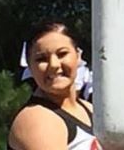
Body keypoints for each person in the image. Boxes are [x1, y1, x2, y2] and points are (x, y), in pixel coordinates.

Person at [8, 21, 101, 150]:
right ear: (29, 66)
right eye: (41, 59)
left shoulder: (90, 109)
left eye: (62, 54)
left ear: (78, 56)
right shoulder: (38, 121)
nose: (54, 65)